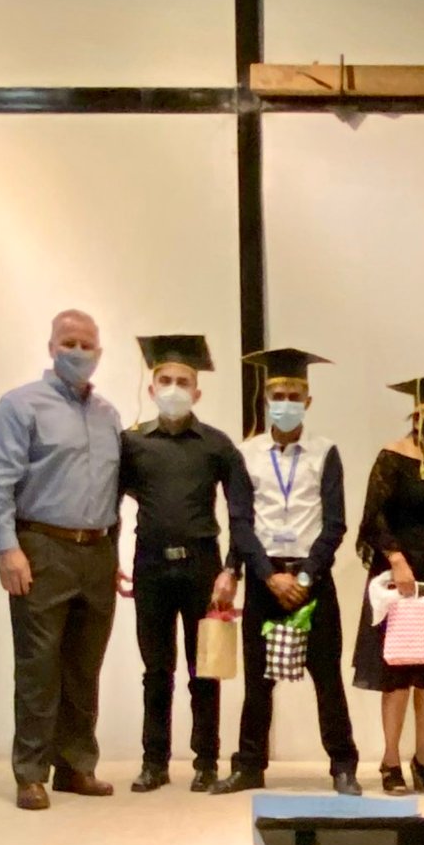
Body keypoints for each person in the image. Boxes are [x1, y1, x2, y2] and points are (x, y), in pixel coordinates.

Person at [0, 308, 121, 810]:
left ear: (99, 352)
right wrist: (7, 547)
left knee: (85, 666)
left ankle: (76, 766)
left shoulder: (108, 415)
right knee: (39, 665)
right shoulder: (21, 406)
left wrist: (113, 552)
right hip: (41, 546)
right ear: (51, 347)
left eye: (86, 344)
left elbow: (113, 490)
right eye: (68, 342)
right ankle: (31, 772)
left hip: (97, 549)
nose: (77, 352)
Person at [215, 348, 362, 796]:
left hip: (311, 579)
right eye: (278, 395)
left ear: (308, 401)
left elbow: (334, 524)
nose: (285, 403)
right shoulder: (246, 454)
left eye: (294, 396)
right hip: (266, 579)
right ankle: (249, 765)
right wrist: (266, 575)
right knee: (258, 680)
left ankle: (343, 765)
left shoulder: (325, 453)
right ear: (266, 400)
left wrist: (304, 577)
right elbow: (240, 522)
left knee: (327, 677)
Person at [118, 335, 245, 794]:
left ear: (197, 391)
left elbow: (240, 512)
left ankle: (206, 761)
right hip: (151, 565)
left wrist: (232, 569)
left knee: (203, 669)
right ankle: (154, 762)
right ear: (152, 389)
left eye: (183, 382)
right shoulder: (132, 443)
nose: (174, 388)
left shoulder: (216, 445)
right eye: (166, 380)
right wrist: (109, 559)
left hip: (203, 568)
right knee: (156, 670)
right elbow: (108, 505)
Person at [353, 368, 424, 794]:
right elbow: (373, 517)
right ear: (418, 416)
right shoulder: (393, 457)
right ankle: (390, 760)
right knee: (399, 671)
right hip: (402, 575)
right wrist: (396, 559)